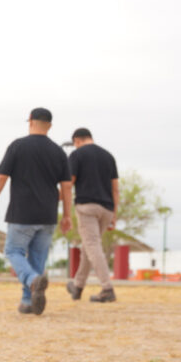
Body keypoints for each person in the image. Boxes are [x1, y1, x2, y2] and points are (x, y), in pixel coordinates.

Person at [0, 108, 72, 315]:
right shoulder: (58, 152)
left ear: (30, 121)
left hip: (22, 213)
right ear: (50, 125)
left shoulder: (17, 146)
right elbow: (67, 187)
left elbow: (1, 177)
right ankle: (27, 301)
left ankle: (32, 282)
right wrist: (67, 215)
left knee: (13, 251)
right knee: (37, 259)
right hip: (48, 214)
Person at [65, 128, 119, 303]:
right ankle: (78, 286)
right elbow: (115, 188)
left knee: (93, 246)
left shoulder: (77, 155)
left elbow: (69, 182)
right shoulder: (108, 156)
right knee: (88, 248)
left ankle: (107, 288)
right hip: (107, 209)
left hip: (87, 206)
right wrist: (114, 215)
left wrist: (59, 198)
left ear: (77, 141)